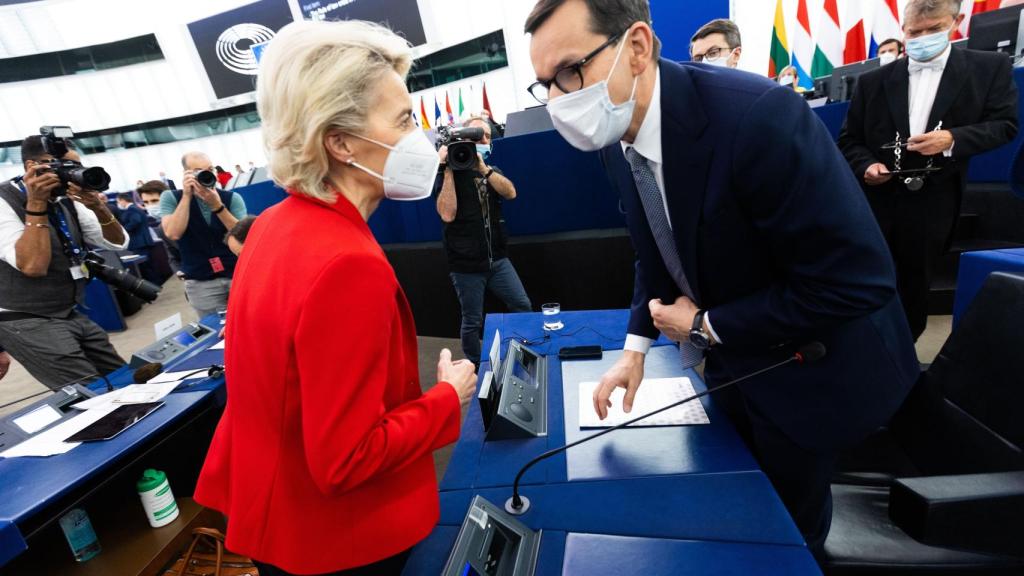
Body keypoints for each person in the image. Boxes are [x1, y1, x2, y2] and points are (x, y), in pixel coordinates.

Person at [525, 0, 919, 555]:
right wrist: (635, 348)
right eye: (546, 85)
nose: (560, 102)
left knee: (788, 539)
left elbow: (857, 282)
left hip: (813, 372)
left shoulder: (759, 116)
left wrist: (707, 324)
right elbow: (657, 248)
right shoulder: (616, 133)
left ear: (636, 48)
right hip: (736, 367)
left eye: (571, 72)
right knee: (734, 521)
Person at [194, 20, 478, 576]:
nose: (417, 137)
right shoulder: (346, 263)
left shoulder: (273, 225)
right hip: (339, 543)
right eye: (401, 120)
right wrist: (448, 397)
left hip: (280, 522)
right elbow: (347, 460)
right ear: (340, 141)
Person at [839, 0, 1018, 342]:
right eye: (914, 32)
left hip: (934, 198)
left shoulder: (988, 67)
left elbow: (1005, 125)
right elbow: (850, 139)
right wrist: (867, 165)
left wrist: (952, 138)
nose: (922, 38)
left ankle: (903, 356)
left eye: (933, 30)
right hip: (875, 201)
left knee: (914, 284)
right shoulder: (872, 81)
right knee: (863, 277)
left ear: (956, 22)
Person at [0, 136, 129, 389]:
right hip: (25, 316)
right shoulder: (4, 201)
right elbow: (32, 266)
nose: (71, 174)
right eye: (60, 166)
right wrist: (36, 203)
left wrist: (98, 207)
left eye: (74, 166)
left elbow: (117, 242)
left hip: (69, 309)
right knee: (93, 396)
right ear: (31, 167)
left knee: (124, 378)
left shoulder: (65, 199)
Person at [435, 116, 532, 366]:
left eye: (487, 136)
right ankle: (475, 365)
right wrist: (446, 169)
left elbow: (511, 192)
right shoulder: (449, 175)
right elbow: (447, 213)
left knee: (521, 304)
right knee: (472, 320)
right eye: (478, 137)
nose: (484, 141)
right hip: (465, 265)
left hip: (497, 259)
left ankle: (523, 352)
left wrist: (484, 170)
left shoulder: (490, 171)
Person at [160, 153, 247, 318]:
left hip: (238, 274)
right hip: (201, 281)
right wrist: (186, 196)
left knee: (251, 321)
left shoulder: (231, 198)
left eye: (210, 169)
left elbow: (243, 235)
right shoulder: (171, 197)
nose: (206, 175)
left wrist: (218, 206)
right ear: (186, 174)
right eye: (198, 171)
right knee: (214, 330)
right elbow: (173, 233)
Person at [115, 191, 159, 283]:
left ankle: (155, 286)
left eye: (118, 202)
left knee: (146, 267)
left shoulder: (132, 209)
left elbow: (136, 221)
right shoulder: (135, 208)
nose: (118, 204)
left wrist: (123, 231)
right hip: (142, 241)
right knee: (149, 266)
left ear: (123, 200)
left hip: (139, 242)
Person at [138, 180, 181, 272]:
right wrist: (179, 271)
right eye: (146, 202)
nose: (150, 206)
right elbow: (173, 257)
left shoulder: (190, 215)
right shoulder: (161, 228)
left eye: (154, 201)